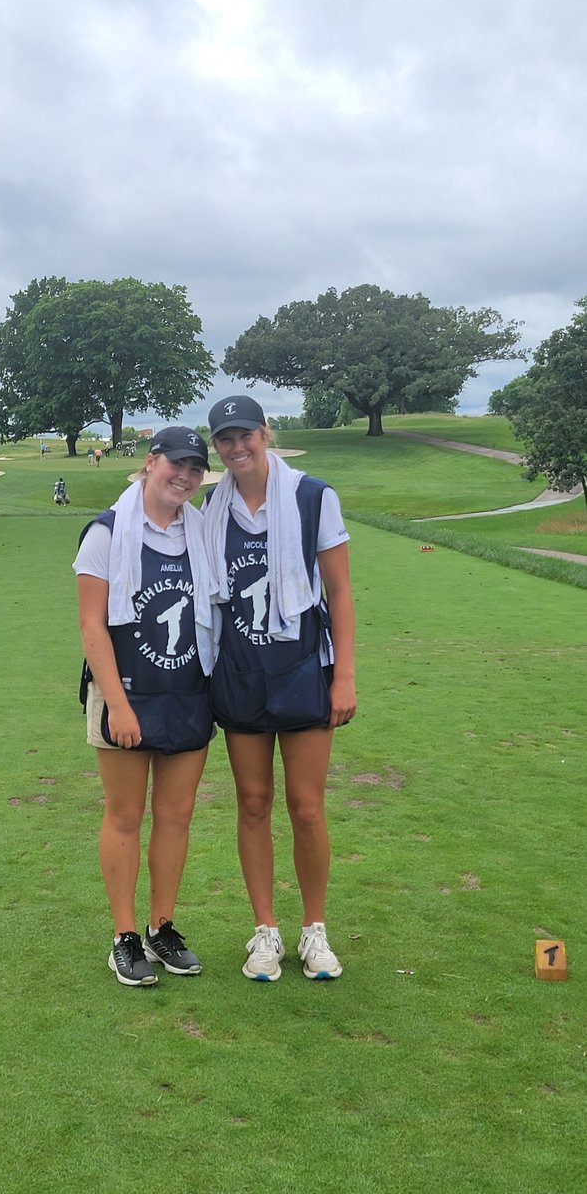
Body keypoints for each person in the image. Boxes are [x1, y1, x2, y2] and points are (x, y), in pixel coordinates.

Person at [203, 394, 356, 982]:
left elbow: (339, 593)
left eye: (245, 434)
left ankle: (313, 931)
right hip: (239, 671)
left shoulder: (313, 497)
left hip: (301, 670)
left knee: (307, 807)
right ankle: (265, 930)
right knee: (252, 803)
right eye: (225, 438)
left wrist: (343, 675)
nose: (236, 446)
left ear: (266, 433)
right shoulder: (213, 504)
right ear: (216, 444)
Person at [74, 426, 215, 987]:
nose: (184, 476)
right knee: (126, 815)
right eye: (176, 464)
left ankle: (162, 928)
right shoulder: (106, 532)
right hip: (125, 692)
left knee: (176, 815)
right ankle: (125, 937)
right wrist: (118, 704)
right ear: (151, 462)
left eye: (195, 469)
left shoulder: (200, 533)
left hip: (187, 691)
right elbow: (91, 625)